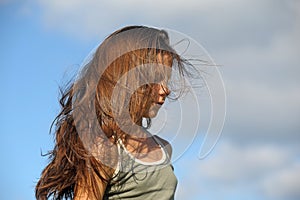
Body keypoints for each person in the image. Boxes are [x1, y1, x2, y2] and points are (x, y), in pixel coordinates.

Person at [36, 25, 194, 200]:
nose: (166, 89)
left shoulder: (164, 148)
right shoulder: (104, 150)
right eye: (156, 79)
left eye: (167, 79)